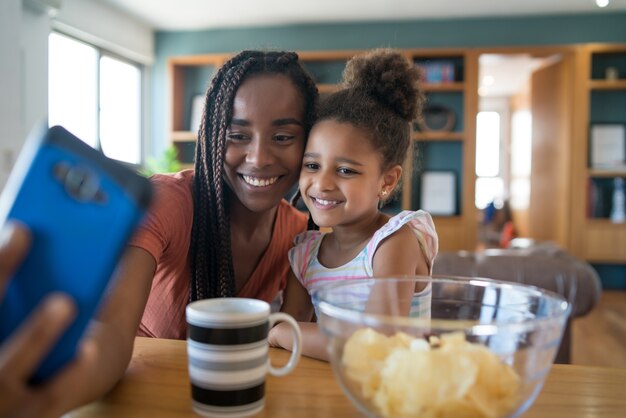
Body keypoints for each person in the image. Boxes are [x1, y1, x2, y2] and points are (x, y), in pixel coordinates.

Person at [1, 50, 319, 417]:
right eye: (237, 135)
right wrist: (46, 402)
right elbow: (110, 334)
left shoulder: (299, 235)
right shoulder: (169, 203)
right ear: (212, 136)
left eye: (282, 136)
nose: (259, 157)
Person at [268, 49, 438, 360]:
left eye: (345, 170)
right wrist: (284, 332)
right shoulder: (305, 255)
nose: (322, 184)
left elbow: (377, 344)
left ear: (386, 181)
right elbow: (290, 334)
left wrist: (282, 333)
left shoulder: (393, 242)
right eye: (312, 165)